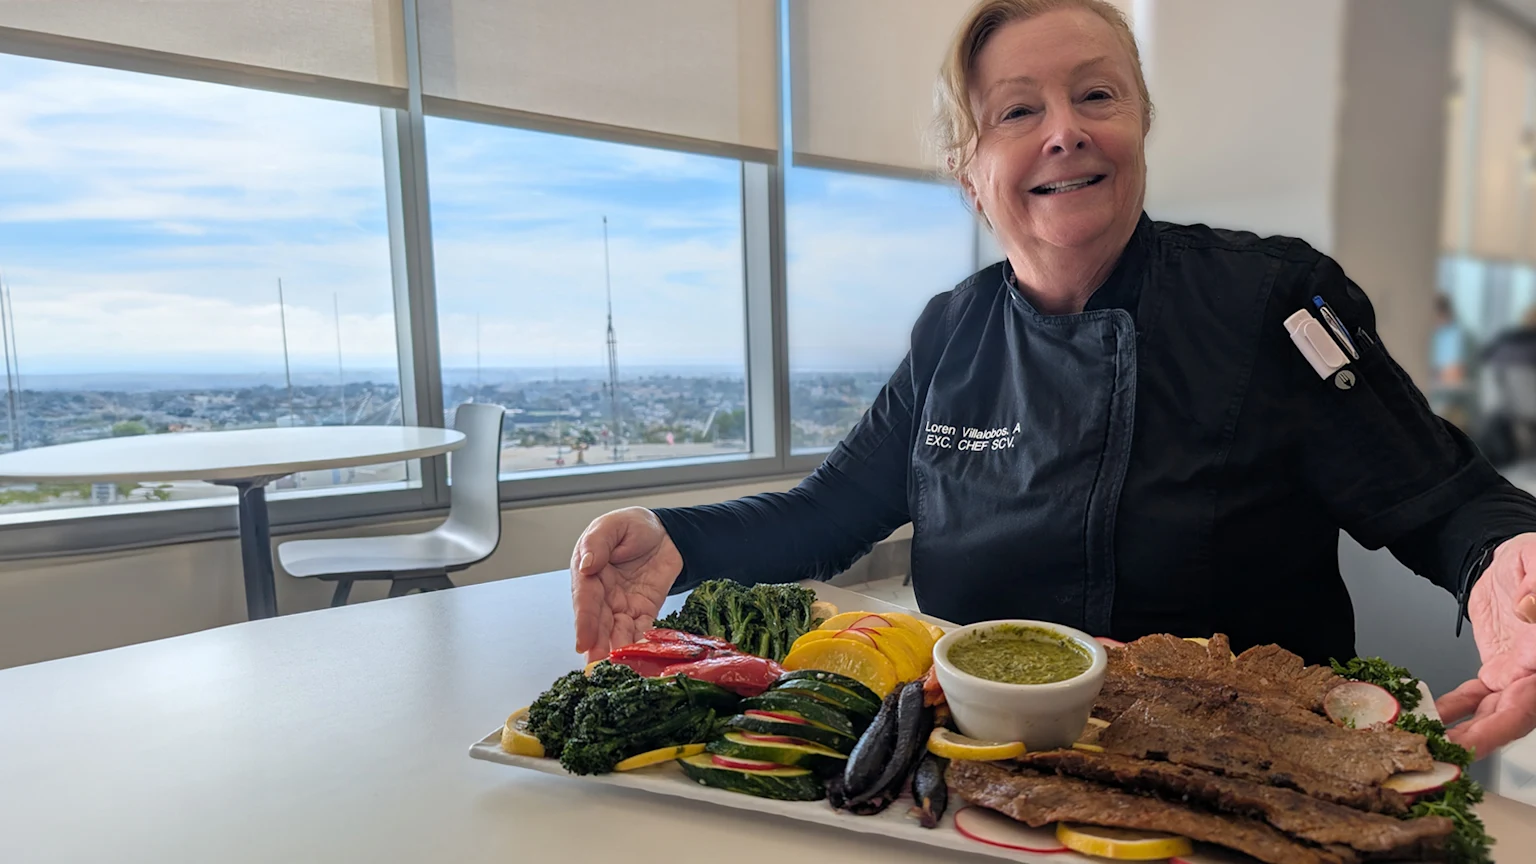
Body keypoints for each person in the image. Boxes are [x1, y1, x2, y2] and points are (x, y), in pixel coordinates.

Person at [568, 0, 1536, 757]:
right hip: (980, 754)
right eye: (1019, 110)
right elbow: (832, 512)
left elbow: (1442, 501)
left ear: (1140, 124)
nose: (1065, 130)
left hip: (1249, 760)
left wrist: (1510, 567)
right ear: (968, 165)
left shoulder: (1274, 300)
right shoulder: (954, 329)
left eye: (1097, 96)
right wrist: (673, 540)